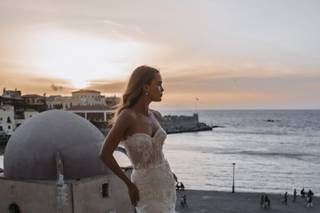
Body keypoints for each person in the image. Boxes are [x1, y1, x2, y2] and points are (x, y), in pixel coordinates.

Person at [99, 65, 176, 213]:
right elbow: (105, 154)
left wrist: (169, 173)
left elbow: (156, 152)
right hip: (145, 186)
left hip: (166, 181)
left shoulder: (155, 116)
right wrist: (128, 184)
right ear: (146, 87)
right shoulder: (127, 116)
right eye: (158, 84)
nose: (162, 89)